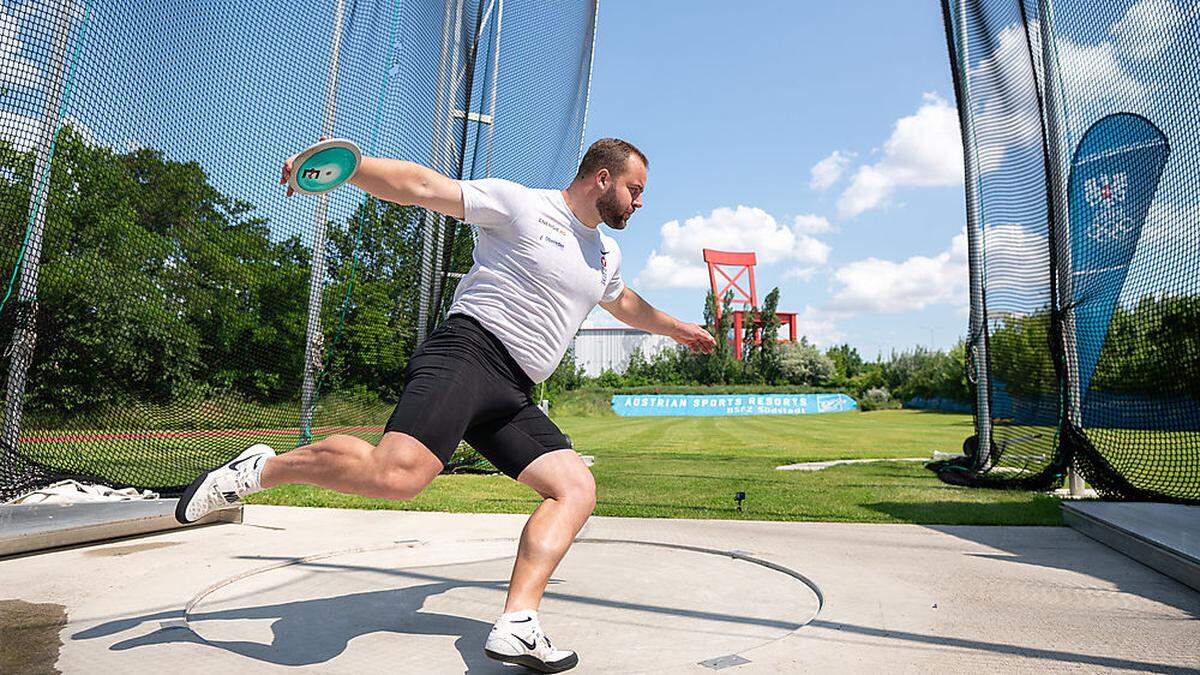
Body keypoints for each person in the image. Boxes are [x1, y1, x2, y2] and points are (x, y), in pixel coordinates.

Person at [175, 137, 716, 673]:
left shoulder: (605, 253)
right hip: (469, 354)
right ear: (603, 178)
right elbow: (423, 187)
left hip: (512, 392)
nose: (639, 202)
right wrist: (349, 166)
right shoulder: (523, 205)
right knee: (397, 477)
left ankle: (518, 623)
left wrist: (679, 330)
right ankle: (260, 469)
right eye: (634, 189)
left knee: (575, 487)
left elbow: (623, 302)